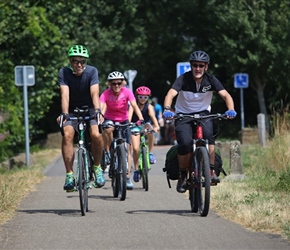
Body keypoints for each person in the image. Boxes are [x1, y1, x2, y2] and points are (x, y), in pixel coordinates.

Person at [163, 50, 237, 193]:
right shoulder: (183, 79)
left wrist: (231, 109)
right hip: (183, 114)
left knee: (209, 138)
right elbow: (170, 94)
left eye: (201, 66)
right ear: (191, 66)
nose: (198, 68)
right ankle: (183, 174)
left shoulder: (211, 80)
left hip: (204, 114)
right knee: (184, 143)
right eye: (195, 65)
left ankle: (211, 171)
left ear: (206, 67)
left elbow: (226, 95)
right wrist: (167, 109)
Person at [57, 44, 105, 192]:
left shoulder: (92, 71)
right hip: (71, 111)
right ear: (70, 61)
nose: (79, 64)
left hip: (90, 109)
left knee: (96, 135)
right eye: (76, 61)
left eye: (82, 61)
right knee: (67, 135)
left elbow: (94, 93)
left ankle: (97, 167)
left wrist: (97, 111)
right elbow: (65, 94)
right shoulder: (64, 72)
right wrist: (64, 113)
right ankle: (70, 175)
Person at [100, 71, 144, 190]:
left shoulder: (127, 92)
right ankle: (108, 152)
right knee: (108, 129)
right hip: (110, 119)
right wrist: (100, 118)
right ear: (109, 84)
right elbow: (102, 107)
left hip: (124, 120)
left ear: (123, 83)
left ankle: (127, 177)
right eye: (113, 83)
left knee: (127, 149)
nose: (116, 86)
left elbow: (134, 105)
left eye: (119, 83)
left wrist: (141, 118)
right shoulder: (105, 94)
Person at [128, 86, 160, 182]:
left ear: (148, 98)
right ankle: (136, 169)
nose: (143, 99)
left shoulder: (149, 107)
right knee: (135, 148)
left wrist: (157, 126)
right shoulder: (133, 106)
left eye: (145, 97)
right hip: (135, 127)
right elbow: (129, 117)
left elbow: (153, 118)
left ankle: (150, 153)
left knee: (151, 131)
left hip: (146, 126)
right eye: (140, 97)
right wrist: (128, 124)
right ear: (137, 97)